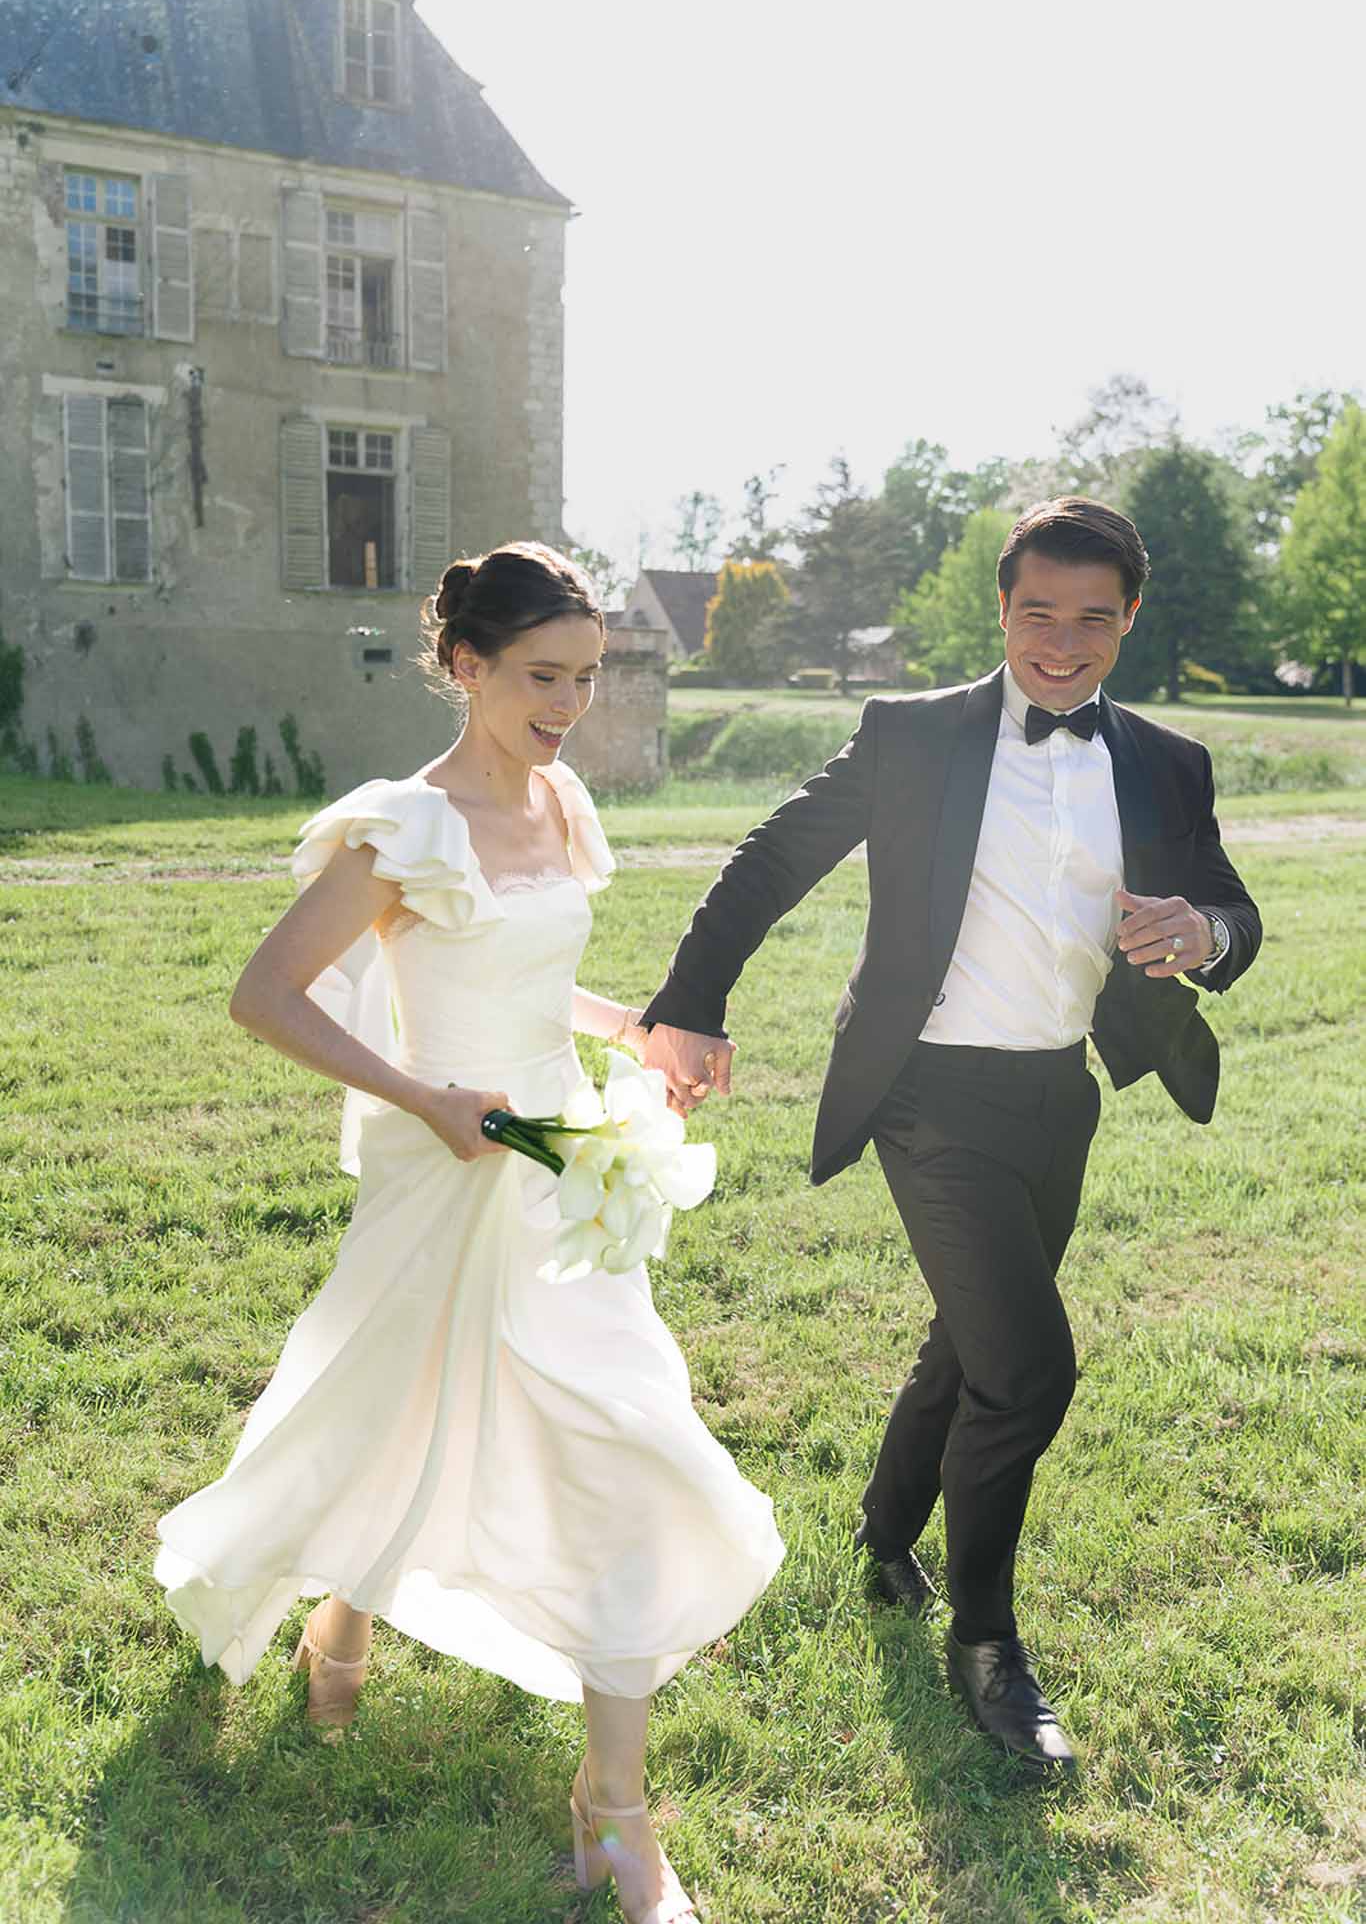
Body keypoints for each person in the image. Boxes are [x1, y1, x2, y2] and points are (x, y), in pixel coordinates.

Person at [154, 543, 783, 1924]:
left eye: (586, 678)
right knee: (394, 1403)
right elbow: (267, 996)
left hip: (562, 1170)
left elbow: (526, 977)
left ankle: (610, 1806)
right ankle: (339, 1613)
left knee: (624, 1439)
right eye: (541, 678)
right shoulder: (402, 829)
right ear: (465, 667)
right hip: (442, 1167)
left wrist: (637, 1028)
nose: (568, 706)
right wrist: (420, 1096)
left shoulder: (558, 800)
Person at [641, 496, 1261, 1770]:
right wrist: (691, 1005)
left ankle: (880, 1534)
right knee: (1027, 1366)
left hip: (1059, 1096)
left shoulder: (1161, 760)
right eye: (1038, 610)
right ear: (1002, 607)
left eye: (1094, 616)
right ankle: (984, 1641)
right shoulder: (911, 736)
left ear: (1128, 620)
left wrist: (1202, 934)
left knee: (966, 1334)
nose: (1062, 640)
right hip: (924, 1094)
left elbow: (1230, 909)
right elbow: (772, 858)